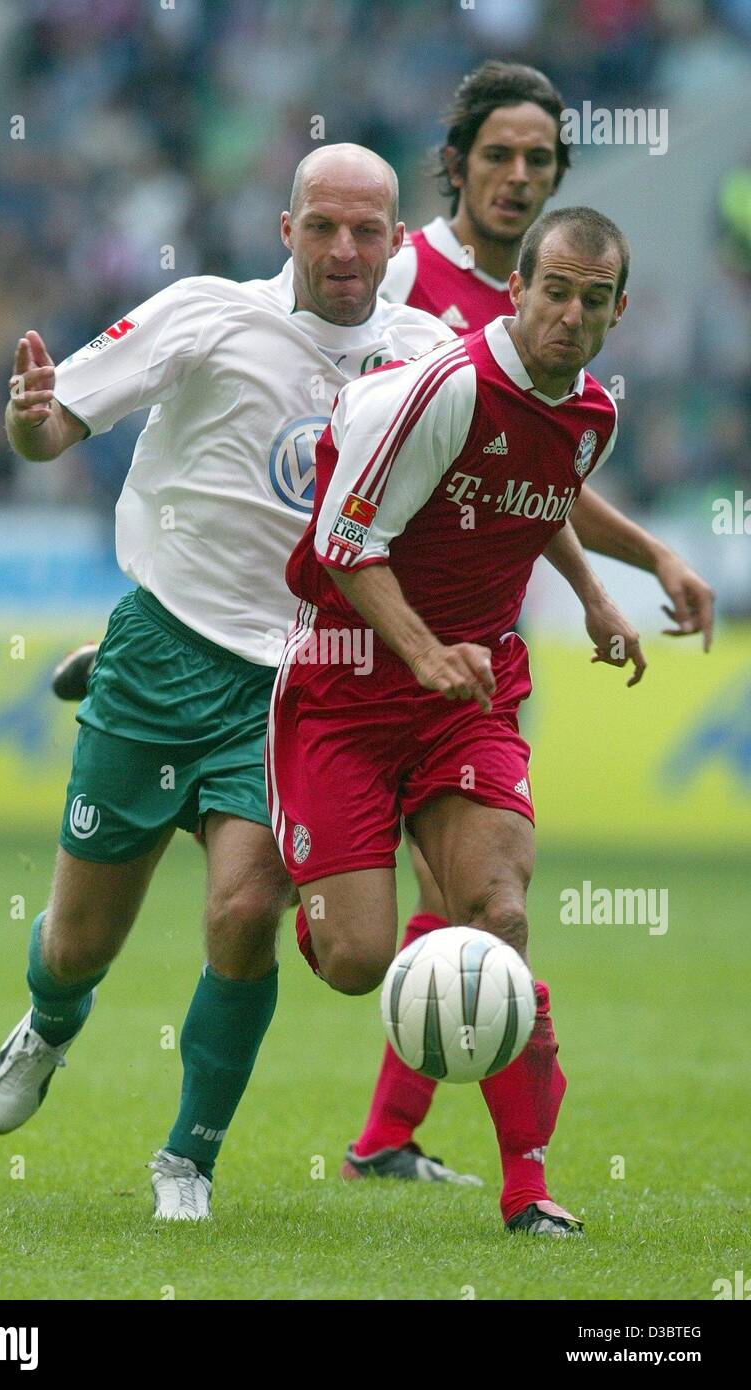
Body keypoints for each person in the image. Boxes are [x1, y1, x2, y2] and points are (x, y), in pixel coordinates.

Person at [0, 144, 473, 1219]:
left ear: (396, 245)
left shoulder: (431, 355)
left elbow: (478, 498)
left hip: (302, 683)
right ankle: (51, 1022)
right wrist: (28, 420)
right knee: (77, 942)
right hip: (164, 651)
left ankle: (186, 1159)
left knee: (245, 910)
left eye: (368, 232)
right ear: (285, 230)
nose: (345, 250)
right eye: (324, 227)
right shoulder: (209, 313)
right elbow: (57, 422)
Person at [342, 60, 715, 1182]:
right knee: (300, 911)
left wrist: (628, 567)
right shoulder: (399, 275)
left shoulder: (560, 304)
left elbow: (525, 476)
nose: (516, 176)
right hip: (355, 625)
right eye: (497, 155)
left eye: (539, 160)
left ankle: (392, 1140)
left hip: (472, 652)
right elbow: (370, 459)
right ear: (453, 163)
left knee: (469, 899)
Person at [268, 207, 656, 1236]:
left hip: (471, 693)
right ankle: (296, 872)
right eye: (555, 292)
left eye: (594, 299)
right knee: (355, 960)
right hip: (348, 687)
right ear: (518, 288)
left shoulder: (591, 416)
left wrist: (598, 598)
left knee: (501, 917)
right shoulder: (445, 390)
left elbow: (540, 504)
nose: (570, 316)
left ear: (620, 311)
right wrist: (423, 650)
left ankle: (526, 1187)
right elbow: (344, 543)